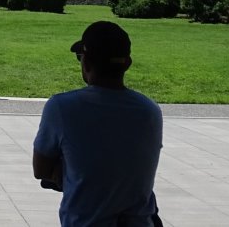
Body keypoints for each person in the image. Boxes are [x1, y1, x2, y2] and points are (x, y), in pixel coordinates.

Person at [32, 21, 163, 227]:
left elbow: (40, 169)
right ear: (127, 63)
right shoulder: (150, 111)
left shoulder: (62, 108)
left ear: (86, 63)